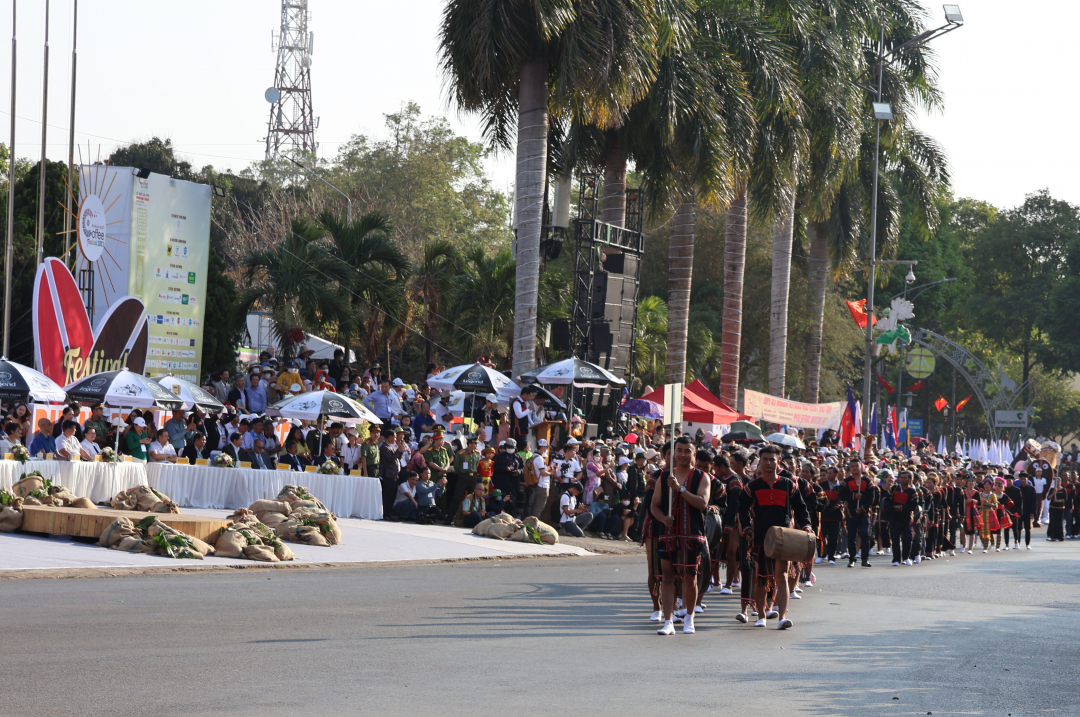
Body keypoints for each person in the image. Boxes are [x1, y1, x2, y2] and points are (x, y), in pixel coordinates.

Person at [737, 444, 814, 630]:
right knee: (761, 578)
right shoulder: (751, 487)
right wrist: (747, 529)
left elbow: (801, 509)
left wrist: (807, 526)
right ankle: (761, 616)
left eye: (772, 459)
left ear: (778, 461)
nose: (769, 463)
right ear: (760, 462)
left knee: (782, 576)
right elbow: (742, 510)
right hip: (760, 538)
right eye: (765, 459)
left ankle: (783, 616)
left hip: (785, 537)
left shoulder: (789, 485)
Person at [651, 436, 710, 636]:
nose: (683, 454)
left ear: (693, 454)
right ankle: (668, 621)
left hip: (692, 535)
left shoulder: (702, 477)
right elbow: (654, 505)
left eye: (687, 451)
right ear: (673, 453)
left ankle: (689, 618)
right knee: (667, 577)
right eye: (679, 450)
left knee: (689, 576)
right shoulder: (663, 476)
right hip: (668, 535)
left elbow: (702, 503)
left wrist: (680, 489)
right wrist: (662, 519)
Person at [839, 457, 878, 568]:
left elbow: (872, 497)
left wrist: (863, 508)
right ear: (850, 468)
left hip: (864, 513)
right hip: (851, 513)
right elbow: (841, 495)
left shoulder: (867, 481)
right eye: (852, 466)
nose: (855, 468)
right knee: (851, 537)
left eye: (857, 466)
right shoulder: (845, 482)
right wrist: (853, 496)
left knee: (865, 535)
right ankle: (852, 558)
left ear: (861, 467)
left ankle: (865, 559)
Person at [885, 470, 918, 566]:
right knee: (895, 539)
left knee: (907, 538)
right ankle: (896, 559)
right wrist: (893, 508)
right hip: (894, 518)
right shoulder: (894, 488)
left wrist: (902, 508)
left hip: (907, 519)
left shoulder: (912, 491)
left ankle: (906, 557)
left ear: (909, 479)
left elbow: (913, 506)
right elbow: (887, 501)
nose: (903, 479)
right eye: (901, 477)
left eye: (905, 477)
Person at [492, 437, 524, 516]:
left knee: (512, 503)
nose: (510, 449)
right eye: (508, 447)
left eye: (511, 448)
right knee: (501, 501)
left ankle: (512, 518)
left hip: (513, 484)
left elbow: (523, 469)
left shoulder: (519, 457)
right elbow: (495, 467)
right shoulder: (499, 456)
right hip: (502, 483)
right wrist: (505, 468)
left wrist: (518, 472)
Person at [378, 428, 403, 518]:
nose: (396, 439)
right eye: (394, 437)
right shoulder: (384, 447)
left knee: (392, 495)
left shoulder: (391, 446)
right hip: (388, 475)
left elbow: (396, 458)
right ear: (389, 437)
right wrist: (398, 450)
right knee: (387, 496)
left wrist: (401, 451)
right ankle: (385, 512)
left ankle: (389, 511)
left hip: (394, 475)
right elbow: (390, 458)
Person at [527, 439, 554, 518]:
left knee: (537, 506)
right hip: (542, 485)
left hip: (538, 484)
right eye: (546, 447)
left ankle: (532, 524)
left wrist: (550, 468)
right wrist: (552, 473)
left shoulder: (534, 456)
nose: (546, 449)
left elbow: (541, 470)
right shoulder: (539, 458)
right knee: (538, 507)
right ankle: (533, 526)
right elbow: (543, 473)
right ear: (542, 447)